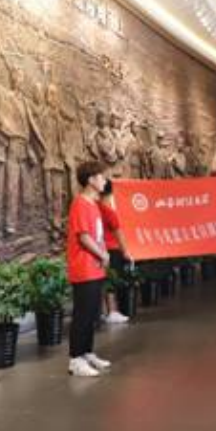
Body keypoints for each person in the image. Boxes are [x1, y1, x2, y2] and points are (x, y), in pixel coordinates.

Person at [66, 161, 114, 378]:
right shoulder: (80, 204)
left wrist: (103, 255)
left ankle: (87, 353)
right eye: (102, 177)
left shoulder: (93, 204)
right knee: (82, 314)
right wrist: (103, 255)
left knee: (92, 313)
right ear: (91, 180)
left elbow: (97, 235)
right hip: (84, 267)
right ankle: (75, 359)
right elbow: (84, 237)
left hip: (95, 267)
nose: (105, 181)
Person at [100, 181, 133, 325]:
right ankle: (112, 311)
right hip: (112, 249)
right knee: (111, 281)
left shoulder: (94, 208)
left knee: (103, 281)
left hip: (99, 249)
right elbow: (118, 233)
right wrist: (126, 252)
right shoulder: (109, 211)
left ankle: (103, 312)